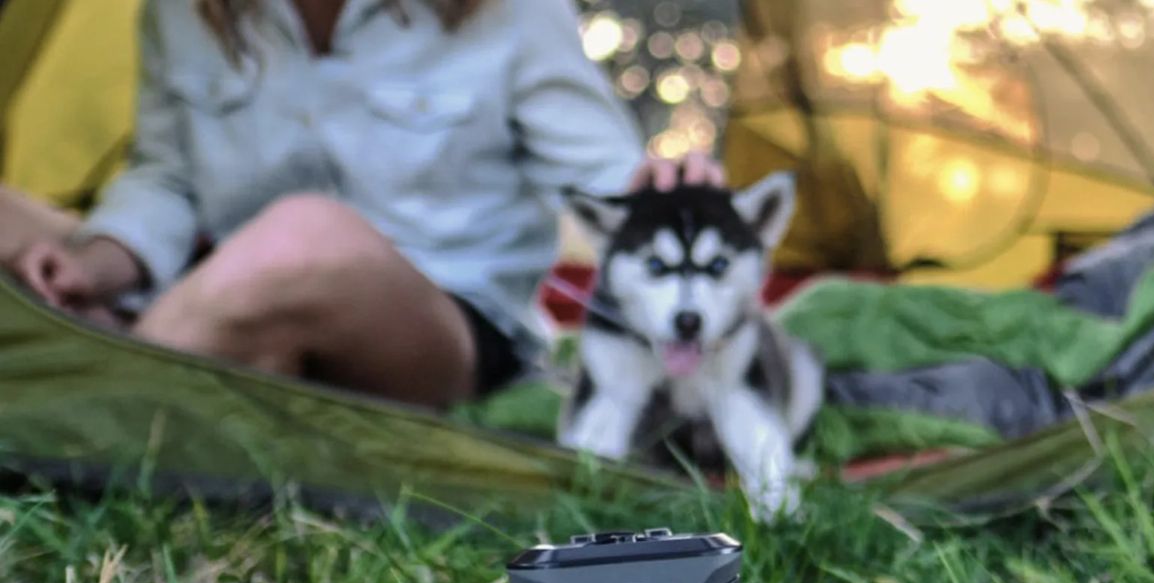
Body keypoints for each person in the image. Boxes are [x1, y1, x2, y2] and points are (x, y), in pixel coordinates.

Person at [3, 0, 723, 408]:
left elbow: (606, 178)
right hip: (221, 280)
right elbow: (166, 178)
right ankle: (129, 347)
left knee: (303, 236)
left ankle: (95, 410)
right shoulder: (187, 11)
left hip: (445, 323)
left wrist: (669, 198)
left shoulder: (513, 11)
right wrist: (96, 263)